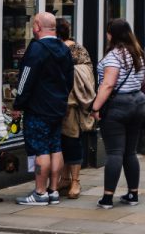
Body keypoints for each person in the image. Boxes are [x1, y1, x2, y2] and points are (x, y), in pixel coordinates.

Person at [12, 13, 74, 206]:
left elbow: (25, 78)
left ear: (38, 26)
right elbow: (70, 79)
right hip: (58, 107)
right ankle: (53, 190)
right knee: (55, 147)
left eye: (33, 25)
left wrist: (18, 104)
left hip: (38, 108)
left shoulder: (37, 49)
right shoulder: (63, 48)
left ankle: (40, 192)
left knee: (40, 150)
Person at [91, 19, 145, 209]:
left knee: (114, 152)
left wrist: (96, 107)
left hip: (118, 105)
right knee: (130, 152)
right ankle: (133, 193)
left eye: (108, 32)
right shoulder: (137, 53)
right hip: (138, 103)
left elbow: (108, 84)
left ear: (112, 34)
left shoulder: (115, 56)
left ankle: (107, 198)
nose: (106, 35)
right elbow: (141, 81)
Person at [56, 18, 95, 200]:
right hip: (59, 103)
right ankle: (65, 178)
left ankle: (75, 181)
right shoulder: (78, 47)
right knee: (63, 142)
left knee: (71, 141)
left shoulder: (69, 49)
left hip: (70, 104)